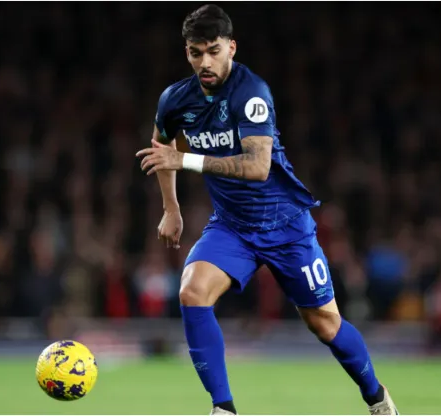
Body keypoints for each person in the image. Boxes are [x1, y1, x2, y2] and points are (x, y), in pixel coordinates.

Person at [136, 5, 398, 415]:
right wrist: (172, 209)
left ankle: (377, 398)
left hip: (287, 225)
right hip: (233, 228)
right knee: (192, 290)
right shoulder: (175, 99)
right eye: (194, 53)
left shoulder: (251, 92)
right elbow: (161, 148)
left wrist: (184, 161)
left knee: (324, 324)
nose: (204, 62)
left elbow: (257, 168)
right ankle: (223, 409)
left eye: (213, 50)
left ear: (231, 48)